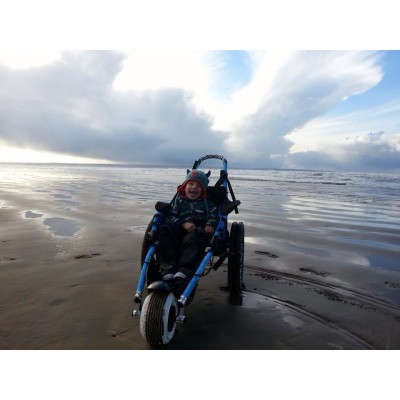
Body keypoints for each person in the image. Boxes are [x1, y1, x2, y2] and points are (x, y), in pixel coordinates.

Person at [157, 169, 218, 282]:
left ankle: (184, 269)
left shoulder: (207, 203)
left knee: (192, 239)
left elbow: (214, 215)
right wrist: (183, 223)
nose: (194, 187)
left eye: (198, 186)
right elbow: (171, 216)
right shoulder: (179, 201)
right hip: (179, 227)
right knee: (164, 230)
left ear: (203, 190)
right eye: (191, 183)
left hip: (197, 230)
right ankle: (167, 267)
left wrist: (210, 223)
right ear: (184, 187)